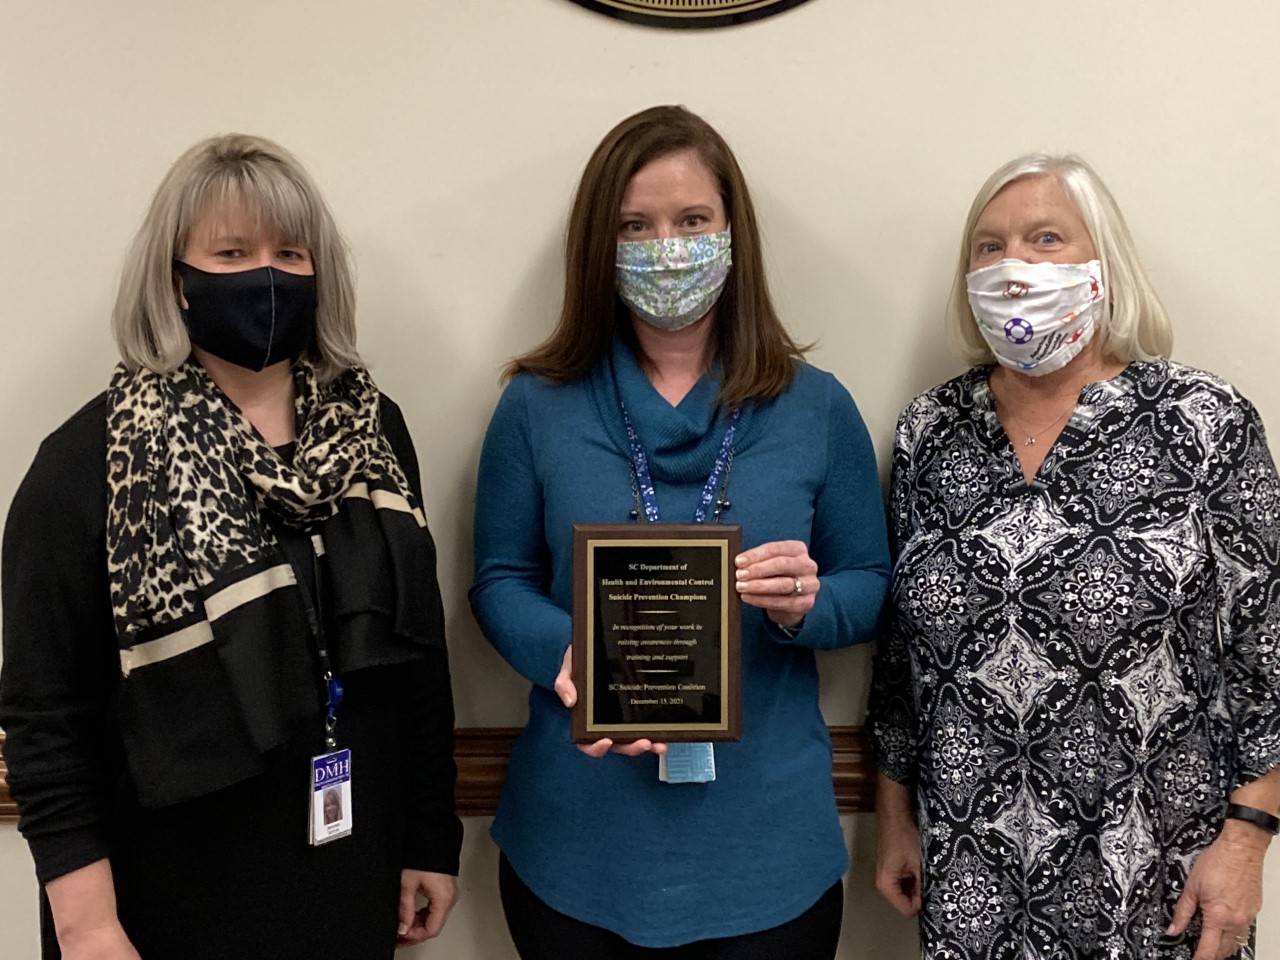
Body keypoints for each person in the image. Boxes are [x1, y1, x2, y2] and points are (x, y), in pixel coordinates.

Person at [0, 134, 462, 959]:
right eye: (231, 251)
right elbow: (45, 717)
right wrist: (86, 924)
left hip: (347, 875)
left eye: (290, 250)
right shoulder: (90, 462)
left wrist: (432, 835)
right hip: (160, 900)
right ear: (174, 278)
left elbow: (417, 657)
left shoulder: (375, 434)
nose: (268, 274)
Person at [469, 104, 891, 958]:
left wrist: (805, 604)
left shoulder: (816, 407)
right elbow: (498, 581)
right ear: (601, 245)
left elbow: (871, 583)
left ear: (732, 234)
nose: (668, 245)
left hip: (765, 853)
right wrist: (573, 651)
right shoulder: (534, 406)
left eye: (692, 220)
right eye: (635, 225)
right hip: (577, 843)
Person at [868, 153, 1280, 960]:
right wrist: (892, 820)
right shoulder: (931, 430)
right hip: (971, 868)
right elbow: (898, 663)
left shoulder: (1206, 421)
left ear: (1104, 266)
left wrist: (1250, 838)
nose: (1012, 263)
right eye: (988, 247)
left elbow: (1268, 652)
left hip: (1159, 866)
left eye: (1044, 237)